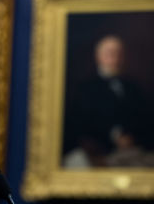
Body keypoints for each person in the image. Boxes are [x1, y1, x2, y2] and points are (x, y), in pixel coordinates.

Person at [63, 35, 150, 167]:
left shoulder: (133, 87)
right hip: (100, 150)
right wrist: (114, 137)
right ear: (98, 56)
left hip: (133, 149)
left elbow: (144, 119)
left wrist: (131, 138)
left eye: (118, 53)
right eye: (110, 53)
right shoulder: (86, 88)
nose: (115, 57)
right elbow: (81, 125)